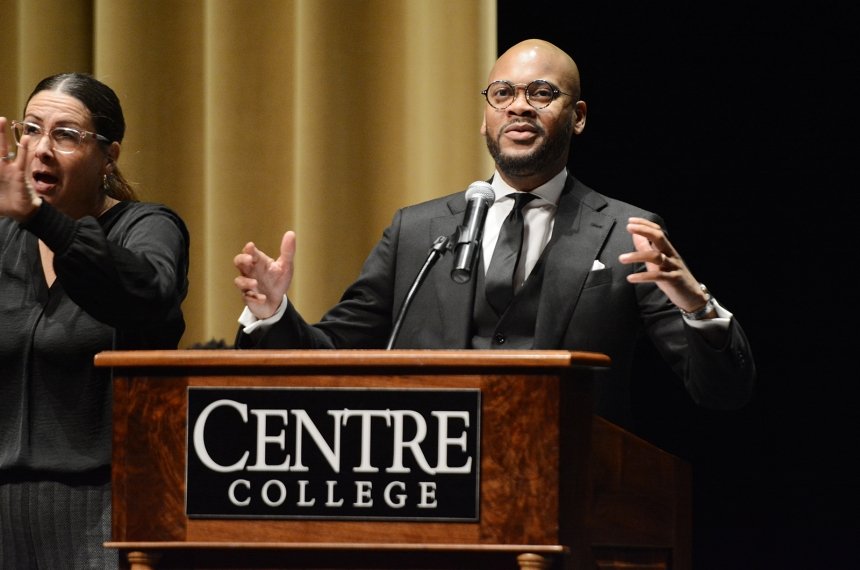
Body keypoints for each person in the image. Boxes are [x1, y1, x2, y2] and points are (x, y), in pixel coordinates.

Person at [233, 38, 754, 433]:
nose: (519, 106)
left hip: (567, 488)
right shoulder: (417, 230)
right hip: (427, 484)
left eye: (541, 93)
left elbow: (721, 392)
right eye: (502, 93)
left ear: (578, 118)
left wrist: (697, 306)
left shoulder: (626, 231)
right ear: (484, 118)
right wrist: (274, 313)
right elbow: (331, 356)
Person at [0, 73, 189, 569]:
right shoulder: (5, 237)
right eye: (32, 129)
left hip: (106, 510)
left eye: (65, 135)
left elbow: (146, 294)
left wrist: (41, 219)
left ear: (109, 155)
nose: (41, 148)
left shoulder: (146, 228)